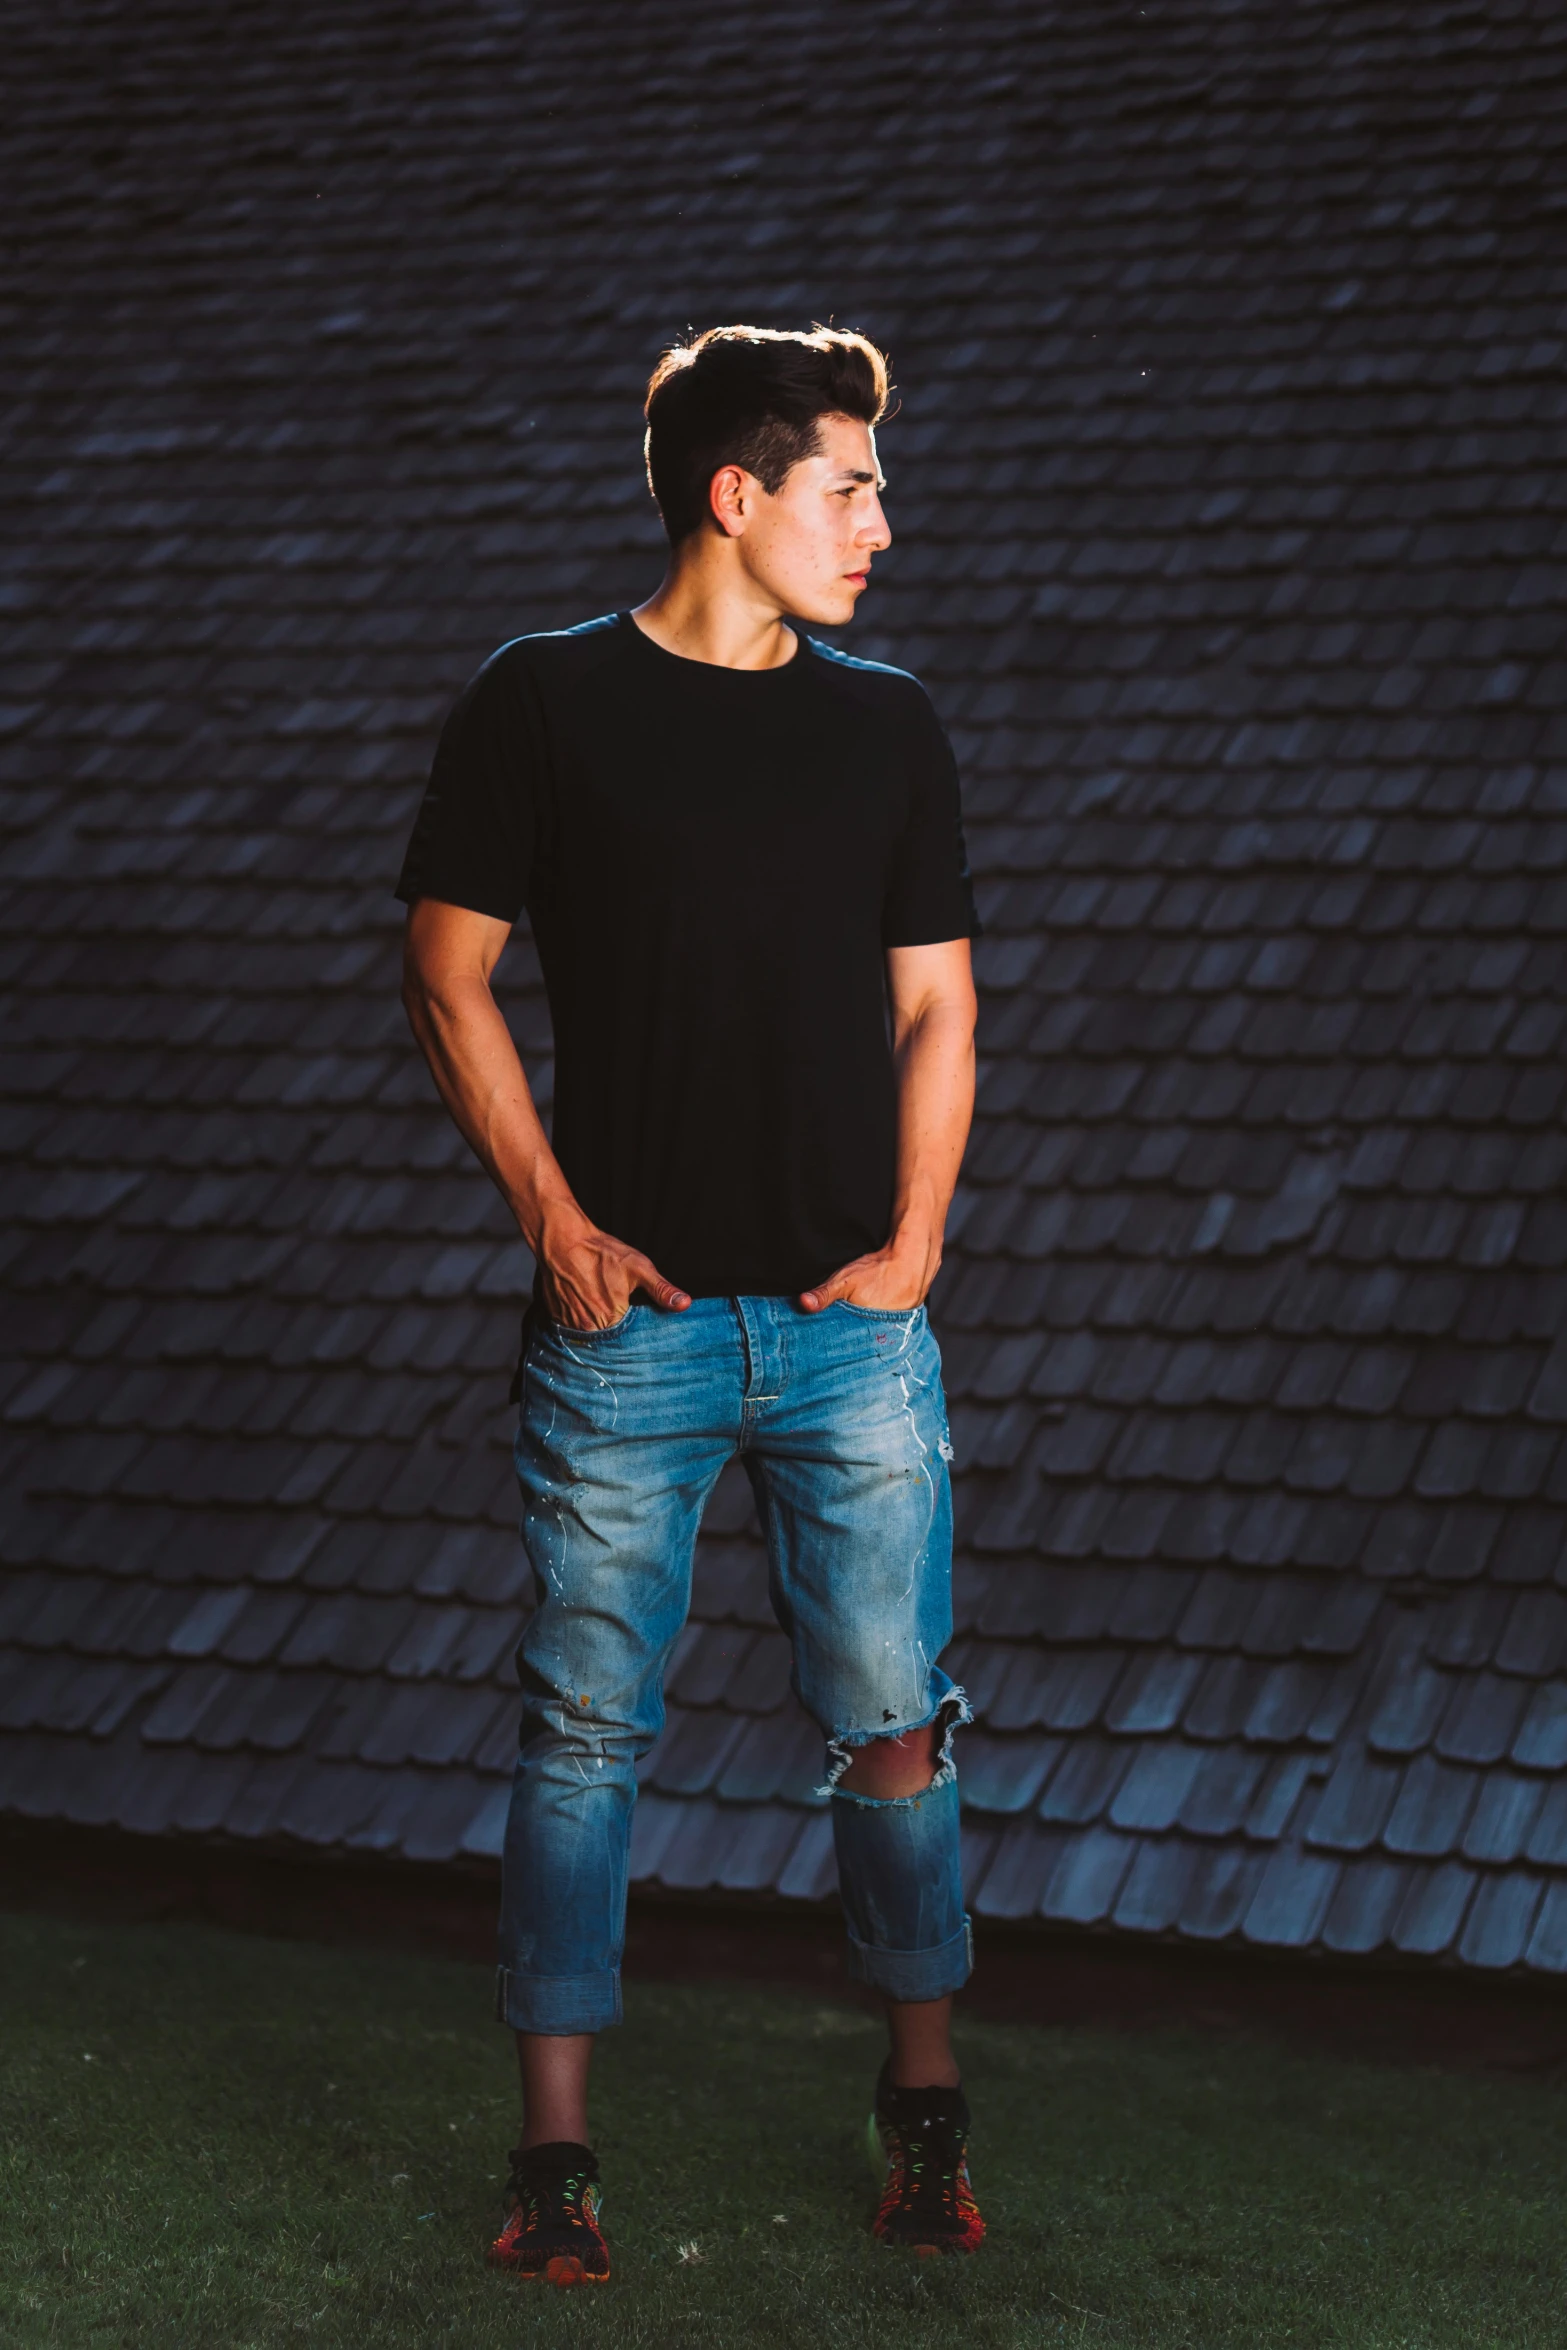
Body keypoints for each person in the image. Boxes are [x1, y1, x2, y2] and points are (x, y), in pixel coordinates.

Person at [396, 324, 983, 2285]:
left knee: (895, 1725)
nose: (884, 526)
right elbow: (444, 966)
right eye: (853, 486)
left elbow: (938, 1004)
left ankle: (925, 2111)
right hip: (622, 1333)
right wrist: (554, 1221)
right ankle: (554, 2158)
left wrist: (911, 1247)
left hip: (850, 1333)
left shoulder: (889, 724)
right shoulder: (542, 704)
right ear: (738, 493)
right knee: (581, 1737)